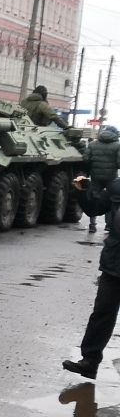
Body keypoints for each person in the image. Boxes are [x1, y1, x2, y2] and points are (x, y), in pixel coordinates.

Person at [65, 176, 120, 377]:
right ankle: (90, 361)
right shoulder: (117, 186)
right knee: (102, 313)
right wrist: (83, 190)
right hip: (114, 263)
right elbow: (95, 208)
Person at [88, 125, 120, 233]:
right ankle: (109, 225)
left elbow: (86, 159)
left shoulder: (92, 144)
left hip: (95, 176)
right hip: (111, 177)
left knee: (94, 198)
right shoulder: (117, 146)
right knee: (111, 200)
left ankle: (92, 225)